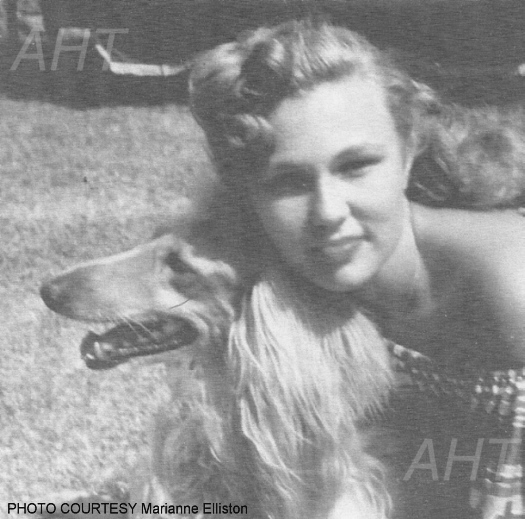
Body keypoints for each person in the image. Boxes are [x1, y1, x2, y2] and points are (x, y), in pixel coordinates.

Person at [189, 19, 525, 519]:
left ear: (408, 154)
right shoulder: (279, 283)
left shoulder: (510, 287)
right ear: (248, 196)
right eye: (288, 182)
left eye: (356, 166)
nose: (328, 212)